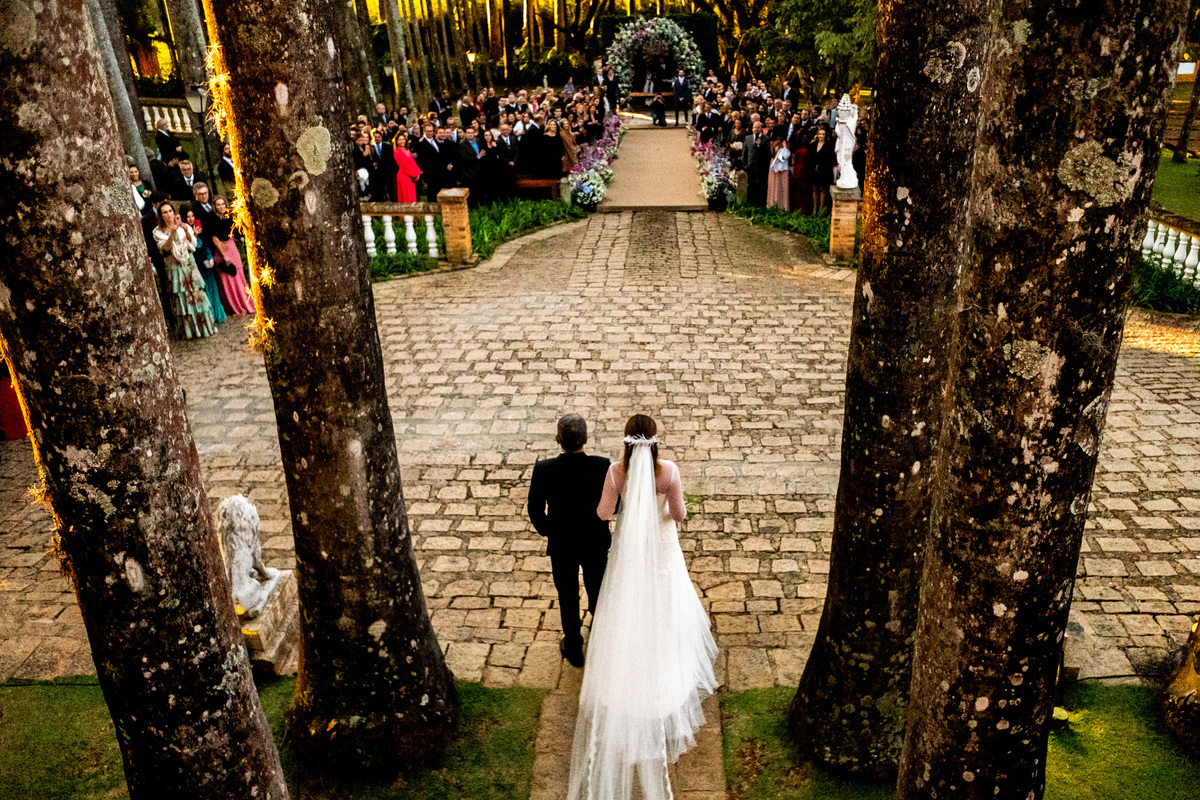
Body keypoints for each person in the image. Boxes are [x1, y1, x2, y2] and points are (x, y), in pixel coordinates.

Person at [566, 414, 718, 800]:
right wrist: (661, 511)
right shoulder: (668, 472)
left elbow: (603, 513)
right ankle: (663, 668)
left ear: (626, 443)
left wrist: (629, 512)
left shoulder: (617, 473)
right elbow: (680, 514)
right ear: (654, 441)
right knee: (665, 608)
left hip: (631, 551)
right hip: (662, 548)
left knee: (627, 606)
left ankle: (628, 670)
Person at [528, 413, 612, 669]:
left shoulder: (544, 469)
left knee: (567, 594)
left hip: (562, 544)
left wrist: (549, 531)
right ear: (586, 439)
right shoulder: (601, 466)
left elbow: (534, 509)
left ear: (557, 440)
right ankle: (603, 642)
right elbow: (614, 504)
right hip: (594, 541)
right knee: (597, 590)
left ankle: (574, 646)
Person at [152, 201, 216, 340]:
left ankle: (204, 326)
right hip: (174, 266)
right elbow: (165, 248)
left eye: (170, 211)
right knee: (182, 297)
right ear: (160, 215)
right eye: (165, 212)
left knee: (197, 295)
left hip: (189, 263)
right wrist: (172, 232)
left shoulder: (182, 227)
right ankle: (189, 329)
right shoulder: (158, 232)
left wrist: (186, 230)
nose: (169, 214)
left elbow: (192, 244)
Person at [209, 197, 256, 316]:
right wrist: (224, 255)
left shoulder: (229, 217)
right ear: (215, 207)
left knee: (238, 275)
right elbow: (214, 238)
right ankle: (234, 306)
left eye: (223, 204)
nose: (221, 207)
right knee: (227, 279)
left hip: (231, 246)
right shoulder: (212, 220)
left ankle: (245, 302)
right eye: (218, 205)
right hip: (221, 249)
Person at [183, 205, 226, 326]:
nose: (191, 219)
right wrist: (194, 235)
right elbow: (191, 247)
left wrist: (210, 258)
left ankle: (217, 314)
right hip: (196, 263)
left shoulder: (199, 229)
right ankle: (209, 317)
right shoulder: (185, 232)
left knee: (213, 288)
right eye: (188, 217)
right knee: (204, 289)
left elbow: (205, 245)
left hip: (205, 261)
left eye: (192, 216)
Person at [809, 126, 835, 213]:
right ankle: (814, 209)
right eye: (820, 134)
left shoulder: (829, 146)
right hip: (813, 170)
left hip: (824, 170)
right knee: (814, 189)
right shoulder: (813, 145)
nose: (821, 136)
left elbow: (830, 159)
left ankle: (821, 210)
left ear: (826, 135)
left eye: (823, 134)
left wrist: (820, 166)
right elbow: (810, 157)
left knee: (823, 189)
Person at [743, 121, 769, 206]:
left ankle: (760, 203)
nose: (756, 129)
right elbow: (745, 151)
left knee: (761, 185)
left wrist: (760, 145)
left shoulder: (766, 138)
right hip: (750, 165)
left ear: (761, 128)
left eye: (758, 127)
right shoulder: (748, 138)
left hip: (761, 166)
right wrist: (745, 163)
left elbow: (767, 153)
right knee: (751, 185)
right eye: (755, 127)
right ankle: (750, 202)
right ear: (752, 128)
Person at [393, 135, 422, 203]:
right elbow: (404, 165)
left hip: (411, 176)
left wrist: (418, 173)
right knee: (406, 196)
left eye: (403, 139)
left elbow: (413, 163)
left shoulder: (407, 150)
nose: (402, 141)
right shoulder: (397, 152)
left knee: (411, 194)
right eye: (400, 140)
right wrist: (414, 175)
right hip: (404, 176)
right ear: (396, 142)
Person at [767, 137, 791, 210]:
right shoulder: (772, 143)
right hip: (774, 164)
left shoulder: (787, 143)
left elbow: (787, 155)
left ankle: (783, 206)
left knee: (782, 185)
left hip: (783, 166)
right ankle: (772, 204)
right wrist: (775, 146)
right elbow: (772, 155)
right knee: (773, 184)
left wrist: (783, 147)